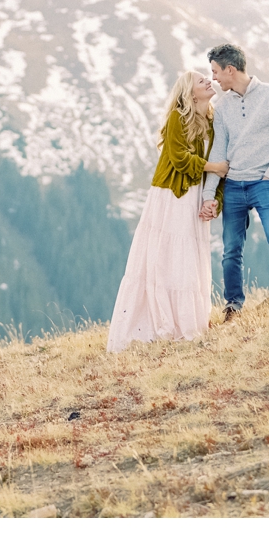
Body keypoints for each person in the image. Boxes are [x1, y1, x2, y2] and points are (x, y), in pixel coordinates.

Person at [106, 69, 230, 352]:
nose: (208, 82)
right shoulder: (178, 116)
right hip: (172, 195)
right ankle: (160, 323)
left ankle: (188, 322)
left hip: (198, 195)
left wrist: (215, 200)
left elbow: (222, 167)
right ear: (189, 92)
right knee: (167, 257)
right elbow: (179, 158)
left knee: (188, 259)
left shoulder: (213, 121)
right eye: (202, 81)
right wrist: (213, 167)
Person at [208, 43, 269, 319]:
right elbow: (218, 152)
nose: (214, 78)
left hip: (264, 184)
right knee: (231, 250)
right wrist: (209, 195)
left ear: (230, 69)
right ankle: (233, 305)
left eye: (216, 72)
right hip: (234, 186)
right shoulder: (222, 105)